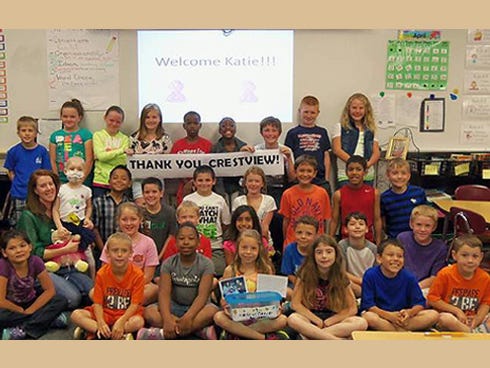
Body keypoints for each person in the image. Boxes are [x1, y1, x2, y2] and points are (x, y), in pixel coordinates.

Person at [16, 169, 93, 309]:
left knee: (92, 292)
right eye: (43, 186)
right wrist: (65, 249)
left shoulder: (63, 211)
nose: (49, 188)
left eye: (51, 184)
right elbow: (32, 253)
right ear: (35, 190)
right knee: (73, 299)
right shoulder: (28, 216)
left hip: (68, 266)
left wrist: (84, 229)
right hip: (42, 270)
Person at [137, 222, 218, 340]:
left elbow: (202, 296)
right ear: (175, 242)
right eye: (181, 238)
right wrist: (167, 319)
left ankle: (161, 333)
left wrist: (189, 317)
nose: (186, 242)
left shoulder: (206, 264)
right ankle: (198, 330)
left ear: (198, 242)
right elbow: (164, 294)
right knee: (149, 312)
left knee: (213, 312)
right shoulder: (169, 263)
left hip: (198, 308)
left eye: (191, 239)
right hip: (174, 306)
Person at [287, 234, 368, 339]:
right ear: (313, 255)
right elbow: (295, 304)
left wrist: (331, 321)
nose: (324, 256)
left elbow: (352, 308)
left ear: (336, 255)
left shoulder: (341, 275)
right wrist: (317, 320)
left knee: (361, 322)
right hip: (310, 317)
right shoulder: (305, 274)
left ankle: (313, 337)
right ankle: (334, 340)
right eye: (319, 252)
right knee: (293, 319)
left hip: (334, 319)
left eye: (329, 252)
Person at [214, 229, 289, 340]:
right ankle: (260, 337)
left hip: (261, 317)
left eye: (253, 248)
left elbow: (273, 296)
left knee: (283, 320)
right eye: (244, 247)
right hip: (238, 315)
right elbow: (224, 299)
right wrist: (225, 305)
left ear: (259, 250)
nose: (248, 252)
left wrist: (277, 306)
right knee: (218, 317)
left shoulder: (266, 269)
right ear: (238, 248)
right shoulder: (230, 270)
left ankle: (243, 332)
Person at [71, 232, 145, 340]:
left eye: (124, 251)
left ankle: (96, 333)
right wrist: (100, 322)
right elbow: (98, 303)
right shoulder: (101, 273)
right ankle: (104, 332)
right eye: (115, 250)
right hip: (105, 313)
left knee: (138, 322)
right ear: (108, 253)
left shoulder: (138, 275)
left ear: (131, 253)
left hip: (125, 315)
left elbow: (134, 305)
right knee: (76, 315)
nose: (119, 254)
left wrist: (122, 321)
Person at [0, 229, 67, 340]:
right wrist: (20, 310)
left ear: (30, 247)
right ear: (4, 253)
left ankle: (23, 330)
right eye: (12, 248)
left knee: (60, 300)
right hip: (10, 306)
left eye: (22, 246)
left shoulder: (36, 261)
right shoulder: (3, 266)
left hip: (31, 301)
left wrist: (31, 309)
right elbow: (1, 301)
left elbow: (49, 290)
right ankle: (47, 320)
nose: (19, 251)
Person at [360, 239, 439, 331]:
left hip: (402, 317)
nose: (396, 259)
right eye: (390, 255)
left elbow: (420, 303)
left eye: (400, 256)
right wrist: (389, 316)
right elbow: (369, 306)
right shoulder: (370, 275)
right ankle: (402, 332)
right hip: (381, 316)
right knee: (369, 317)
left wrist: (409, 312)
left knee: (433, 315)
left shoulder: (409, 277)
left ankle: (395, 331)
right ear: (379, 258)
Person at [427, 234, 490, 333]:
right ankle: (473, 334)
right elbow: (432, 299)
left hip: (472, 318)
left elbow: (486, 303)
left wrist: (477, 319)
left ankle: (472, 330)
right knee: (445, 319)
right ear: (454, 255)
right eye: (464, 255)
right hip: (451, 317)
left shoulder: (485, 278)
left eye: (475, 256)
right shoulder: (445, 274)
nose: (470, 260)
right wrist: (457, 311)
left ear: (481, 257)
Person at [99, 202, 159, 305]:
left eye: (133, 219)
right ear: (118, 221)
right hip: (114, 286)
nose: (129, 223)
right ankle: (122, 305)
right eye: (124, 219)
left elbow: (148, 276)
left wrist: (129, 288)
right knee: (92, 292)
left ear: (140, 220)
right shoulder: (111, 241)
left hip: (137, 286)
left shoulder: (148, 242)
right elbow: (104, 269)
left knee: (154, 290)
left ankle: (122, 305)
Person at [52, 156, 96, 279]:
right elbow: (55, 210)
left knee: (89, 257)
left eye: (79, 169)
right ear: (65, 171)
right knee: (63, 251)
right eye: (71, 168)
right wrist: (59, 227)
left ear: (84, 171)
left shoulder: (87, 190)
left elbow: (89, 207)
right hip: (64, 226)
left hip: (80, 226)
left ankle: (93, 280)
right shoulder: (61, 189)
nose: (75, 172)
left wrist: (87, 218)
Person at [183, 165, 231, 277]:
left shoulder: (219, 200)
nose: (204, 183)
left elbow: (225, 223)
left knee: (217, 270)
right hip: (193, 245)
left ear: (214, 181)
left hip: (215, 246)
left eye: (207, 180)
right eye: (200, 180)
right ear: (194, 182)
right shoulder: (188, 199)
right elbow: (183, 222)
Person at [4, 116, 51, 226]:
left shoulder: (42, 151)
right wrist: (17, 182)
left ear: (36, 133)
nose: (27, 134)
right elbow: (10, 170)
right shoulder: (13, 151)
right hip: (19, 194)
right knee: (20, 223)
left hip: (37, 195)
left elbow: (46, 173)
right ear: (18, 133)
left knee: (37, 222)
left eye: (30, 130)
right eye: (23, 130)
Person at [279, 154, 331, 249]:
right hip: (293, 242)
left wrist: (324, 240)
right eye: (302, 170)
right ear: (295, 172)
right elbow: (286, 221)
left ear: (315, 173)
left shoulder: (322, 193)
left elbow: (325, 220)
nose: (305, 174)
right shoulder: (288, 194)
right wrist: (286, 241)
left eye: (309, 171)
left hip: (316, 244)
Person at [126, 103, 172, 206]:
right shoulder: (134, 138)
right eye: (147, 117)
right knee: (141, 208)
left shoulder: (165, 139)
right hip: (138, 180)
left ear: (160, 119)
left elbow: (168, 162)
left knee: (155, 206)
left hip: (157, 180)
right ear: (142, 119)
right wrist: (129, 153)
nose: (151, 120)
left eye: (154, 117)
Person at [329, 155, 382, 245]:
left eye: (358, 169)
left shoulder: (374, 193)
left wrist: (379, 242)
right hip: (346, 241)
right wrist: (330, 240)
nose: (354, 172)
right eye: (351, 169)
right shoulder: (339, 194)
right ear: (346, 172)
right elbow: (334, 220)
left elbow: (377, 219)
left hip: (368, 241)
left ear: (365, 172)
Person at [285, 95, 332, 196]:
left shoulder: (322, 132)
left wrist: (326, 178)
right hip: (299, 178)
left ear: (318, 113)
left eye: (312, 112)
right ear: (299, 111)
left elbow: (326, 155)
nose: (309, 115)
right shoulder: (292, 133)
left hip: (319, 178)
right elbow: (289, 157)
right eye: (306, 112)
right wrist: (293, 176)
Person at [332, 93, 380, 187]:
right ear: (348, 109)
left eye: (361, 108)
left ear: (366, 110)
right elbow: (337, 150)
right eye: (354, 108)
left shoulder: (371, 128)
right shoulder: (339, 127)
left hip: (367, 173)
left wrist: (366, 165)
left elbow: (376, 152)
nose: (357, 111)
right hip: (346, 174)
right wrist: (355, 165)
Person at [397, 205, 447, 293]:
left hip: (424, 286)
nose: (422, 229)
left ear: (434, 227)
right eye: (418, 225)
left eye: (427, 226)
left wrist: (415, 288)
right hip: (401, 282)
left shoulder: (440, 247)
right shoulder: (402, 238)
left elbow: (434, 277)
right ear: (411, 224)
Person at [92, 165, 132, 263]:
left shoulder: (131, 205)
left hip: (125, 254)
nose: (119, 181)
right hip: (102, 252)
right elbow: (95, 228)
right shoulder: (98, 202)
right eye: (115, 178)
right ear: (109, 181)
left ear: (129, 183)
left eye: (123, 179)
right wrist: (105, 251)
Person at [170, 111, 212, 205]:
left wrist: (196, 182)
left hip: (203, 186)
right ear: (184, 126)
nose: (192, 126)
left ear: (200, 125)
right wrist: (187, 183)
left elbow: (212, 168)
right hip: (183, 186)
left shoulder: (207, 145)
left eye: (195, 123)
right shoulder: (177, 145)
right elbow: (172, 168)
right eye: (189, 123)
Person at [49, 98, 93, 186]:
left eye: (72, 117)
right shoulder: (55, 136)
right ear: (61, 117)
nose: (68, 119)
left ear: (79, 117)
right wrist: (57, 180)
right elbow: (52, 160)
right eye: (65, 116)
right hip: (62, 181)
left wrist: (82, 179)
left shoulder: (86, 134)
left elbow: (89, 160)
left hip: (82, 181)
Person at [381, 158, 427, 238]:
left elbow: (425, 215)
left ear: (409, 176)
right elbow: (383, 223)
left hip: (416, 238)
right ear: (388, 175)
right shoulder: (384, 198)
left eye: (403, 173)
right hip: (395, 239)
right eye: (395, 173)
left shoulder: (419, 193)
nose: (399, 177)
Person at [232, 166, 276, 248]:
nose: (253, 184)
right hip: (241, 241)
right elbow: (236, 224)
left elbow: (264, 227)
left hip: (263, 241)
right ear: (245, 183)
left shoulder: (269, 200)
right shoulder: (238, 201)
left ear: (262, 183)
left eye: (257, 181)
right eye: (250, 181)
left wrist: (264, 246)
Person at [92, 105, 130, 198]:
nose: (114, 124)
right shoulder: (98, 135)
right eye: (111, 120)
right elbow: (101, 156)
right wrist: (121, 150)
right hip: (100, 182)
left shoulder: (125, 138)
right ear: (105, 118)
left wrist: (107, 154)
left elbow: (123, 161)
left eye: (118, 122)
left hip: (119, 184)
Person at [338, 211, 377, 298]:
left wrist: (367, 282)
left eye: (361, 224)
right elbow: (342, 272)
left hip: (369, 284)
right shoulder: (342, 245)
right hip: (350, 283)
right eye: (352, 224)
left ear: (367, 229)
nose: (357, 227)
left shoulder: (373, 248)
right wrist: (361, 281)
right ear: (346, 229)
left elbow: (376, 272)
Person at [211, 117, 248, 207]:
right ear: (220, 130)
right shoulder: (214, 149)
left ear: (235, 129)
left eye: (231, 126)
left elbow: (247, 171)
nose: (228, 128)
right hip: (221, 187)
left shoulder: (244, 147)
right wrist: (221, 194)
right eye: (224, 126)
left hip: (239, 187)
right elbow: (214, 173)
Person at [281, 215, 319, 300]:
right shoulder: (289, 249)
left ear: (316, 235)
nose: (303, 236)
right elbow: (289, 274)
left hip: (316, 284)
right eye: (299, 232)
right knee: (287, 291)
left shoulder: (318, 251)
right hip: (296, 283)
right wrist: (301, 285)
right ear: (294, 232)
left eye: (308, 234)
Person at [140, 177, 177, 261]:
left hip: (164, 257)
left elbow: (171, 237)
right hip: (142, 258)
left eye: (154, 192)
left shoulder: (170, 212)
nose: (150, 195)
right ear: (142, 194)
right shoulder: (139, 213)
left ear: (161, 193)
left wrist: (159, 257)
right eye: (147, 192)